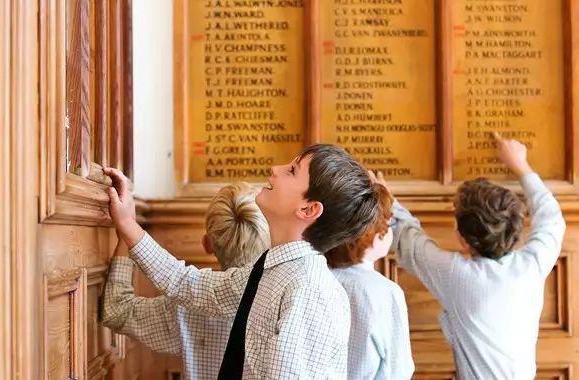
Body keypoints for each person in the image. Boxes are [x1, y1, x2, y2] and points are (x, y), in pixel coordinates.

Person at [103, 144, 382, 379]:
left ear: (308, 209)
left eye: (292, 170)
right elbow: (190, 285)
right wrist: (128, 224)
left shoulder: (308, 289)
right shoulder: (267, 270)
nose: (275, 168)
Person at [378, 134, 566, 379]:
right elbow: (551, 218)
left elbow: (410, 240)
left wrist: (386, 199)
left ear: (463, 240)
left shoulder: (458, 274)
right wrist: (521, 166)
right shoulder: (531, 266)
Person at [101, 182, 270, 380]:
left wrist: (124, 234)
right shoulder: (286, 300)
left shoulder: (184, 308)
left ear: (207, 244)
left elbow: (116, 311)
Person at [326, 181, 414, 380]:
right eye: (389, 224)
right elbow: (398, 370)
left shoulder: (315, 278)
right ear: (377, 238)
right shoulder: (386, 292)